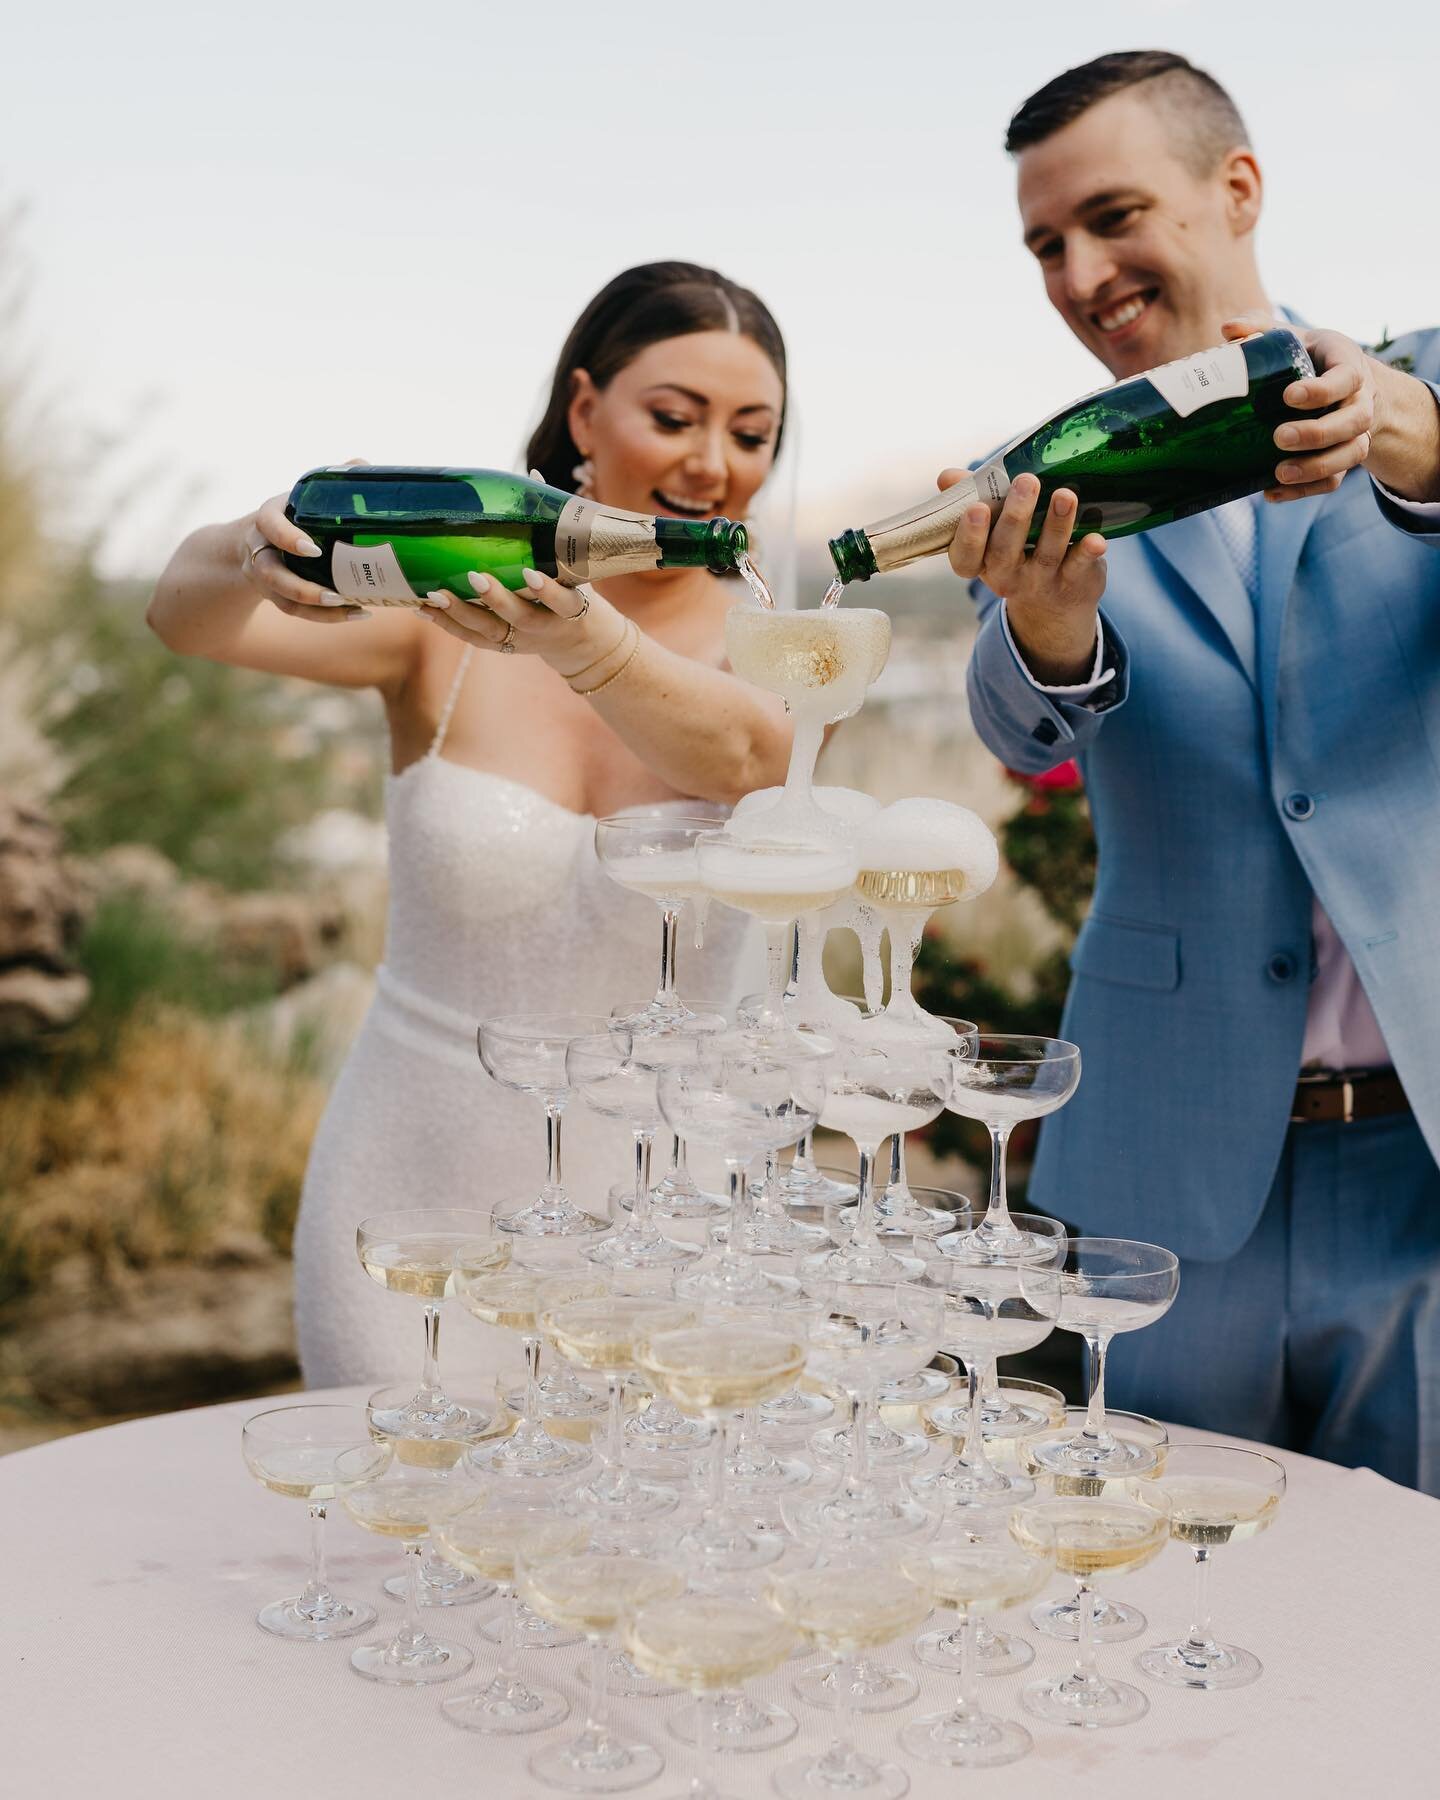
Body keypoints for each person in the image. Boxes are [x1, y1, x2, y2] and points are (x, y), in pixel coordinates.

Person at [148, 262, 792, 1385]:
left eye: (753, 433)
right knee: (384, 1539)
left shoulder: (782, 652)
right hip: (409, 1199)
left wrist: (580, 636)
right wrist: (241, 549)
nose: (713, 463)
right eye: (675, 417)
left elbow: (749, 759)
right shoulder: (438, 626)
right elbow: (187, 622)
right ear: (585, 411)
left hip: (672, 1221)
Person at [949, 52, 1440, 1491]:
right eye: (1048, 244)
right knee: (1159, 1600)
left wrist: (1417, 448)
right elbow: (1011, 726)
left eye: (1113, 216)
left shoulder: (1419, 390)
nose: (1083, 271)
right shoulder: (1035, 482)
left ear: (1236, 190)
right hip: (1168, 1171)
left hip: (1421, 1153)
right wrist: (1046, 623)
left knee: (1408, 1627)